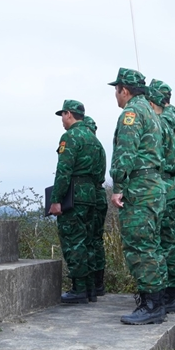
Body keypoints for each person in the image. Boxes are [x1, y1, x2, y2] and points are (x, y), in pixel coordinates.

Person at [108, 68, 168, 325]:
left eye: (116, 90)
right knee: (152, 244)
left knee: (140, 246)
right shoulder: (152, 112)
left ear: (124, 89)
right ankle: (156, 300)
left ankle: (151, 304)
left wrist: (118, 186)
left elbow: (126, 153)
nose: (116, 96)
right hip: (154, 185)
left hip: (140, 188)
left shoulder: (131, 112)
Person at [49, 100, 106, 304]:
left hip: (75, 195)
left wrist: (56, 200)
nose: (62, 120)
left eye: (62, 115)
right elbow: (100, 173)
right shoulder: (94, 140)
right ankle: (90, 288)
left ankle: (79, 289)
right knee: (89, 241)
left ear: (69, 114)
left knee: (74, 241)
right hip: (92, 196)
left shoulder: (70, 137)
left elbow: (64, 171)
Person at [145, 80, 175, 313]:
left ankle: (171, 293)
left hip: (168, 184)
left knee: (167, 240)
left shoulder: (163, 122)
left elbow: (164, 158)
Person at [83, 115, 108, 297]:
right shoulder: (100, 147)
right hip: (100, 194)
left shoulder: (85, 145)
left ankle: (89, 283)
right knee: (97, 240)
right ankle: (99, 283)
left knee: (87, 240)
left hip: (88, 193)